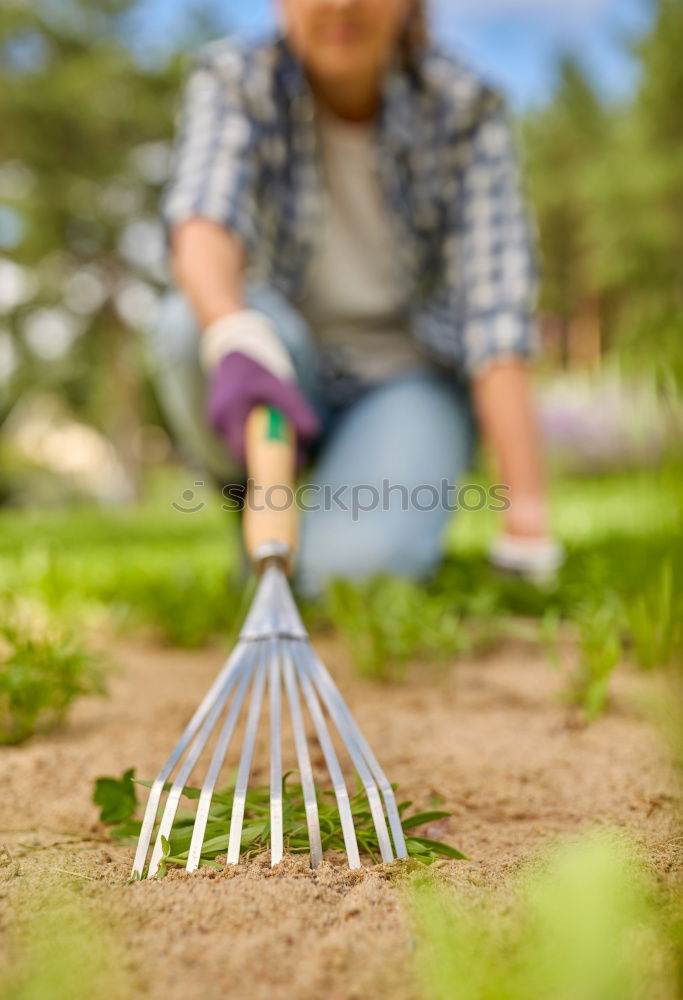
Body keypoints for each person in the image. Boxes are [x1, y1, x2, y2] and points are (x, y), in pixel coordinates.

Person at [146, 0, 563, 595]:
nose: (341, 4)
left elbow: (495, 320)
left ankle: (311, 547)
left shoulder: (465, 105)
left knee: (350, 577)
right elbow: (204, 220)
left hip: (406, 375)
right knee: (189, 324)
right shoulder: (237, 79)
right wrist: (233, 330)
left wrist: (527, 519)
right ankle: (258, 511)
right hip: (286, 359)